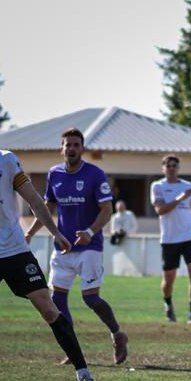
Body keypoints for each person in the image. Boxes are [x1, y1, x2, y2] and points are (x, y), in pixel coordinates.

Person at [0, 146, 98, 381]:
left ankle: (83, 374)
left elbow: (35, 200)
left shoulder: (5, 159)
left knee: (49, 310)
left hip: (14, 250)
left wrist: (56, 232)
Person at [23, 127, 127, 364]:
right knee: (57, 301)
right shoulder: (54, 174)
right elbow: (45, 209)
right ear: (61, 149)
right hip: (62, 247)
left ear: (82, 149)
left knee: (91, 299)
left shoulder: (95, 174)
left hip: (90, 247)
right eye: (67, 145)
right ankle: (73, 350)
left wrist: (90, 232)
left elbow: (107, 209)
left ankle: (117, 333)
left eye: (75, 145)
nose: (71, 149)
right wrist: (29, 233)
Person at [150, 155, 191, 324]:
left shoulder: (188, 186)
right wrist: (180, 198)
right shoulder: (157, 186)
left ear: (179, 168)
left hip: (189, 237)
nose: (171, 168)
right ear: (163, 168)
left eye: (174, 165)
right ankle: (168, 303)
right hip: (169, 239)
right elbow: (161, 210)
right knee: (169, 279)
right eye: (168, 165)